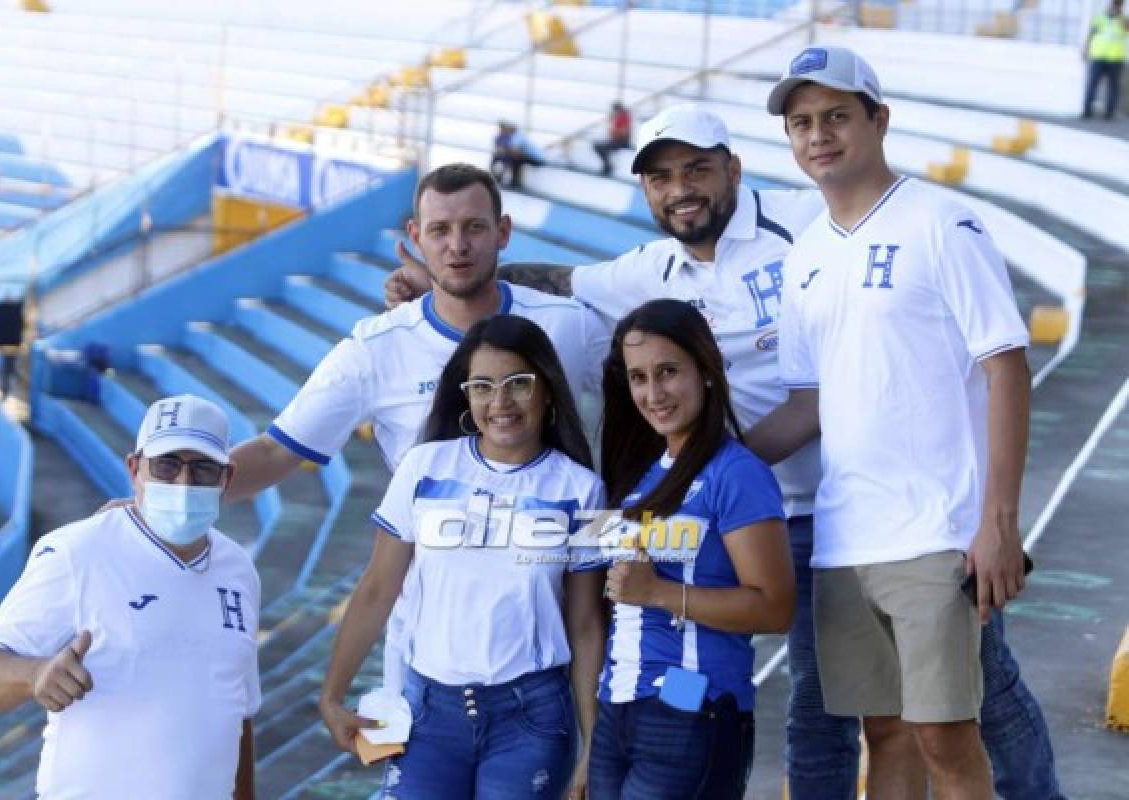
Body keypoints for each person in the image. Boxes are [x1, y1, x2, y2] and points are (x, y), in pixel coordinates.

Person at [387, 102, 1064, 800]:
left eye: (697, 169)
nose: (680, 188)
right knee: (825, 711)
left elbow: (931, 295)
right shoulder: (649, 269)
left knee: (980, 691)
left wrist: (993, 514)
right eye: (661, 177)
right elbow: (562, 281)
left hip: (865, 505)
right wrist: (440, 282)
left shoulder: (806, 224)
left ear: (733, 168)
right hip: (758, 509)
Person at [764, 45, 1038, 799]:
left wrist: (999, 523)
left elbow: (1007, 367)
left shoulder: (942, 220)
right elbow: (806, 404)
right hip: (844, 538)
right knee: (882, 734)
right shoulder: (806, 255)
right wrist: (705, 465)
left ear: (879, 120)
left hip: (936, 529)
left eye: (836, 117)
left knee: (946, 737)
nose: (818, 135)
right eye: (801, 123)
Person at [225, 163, 606, 697]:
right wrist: (160, 494)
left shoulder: (567, 324)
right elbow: (273, 452)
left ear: (503, 231)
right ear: (415, 237)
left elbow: (654, 388)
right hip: (432, 636)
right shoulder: (376, 348)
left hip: (551, 627)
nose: (457, 245)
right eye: (440, 231)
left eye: (474, 227)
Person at [318, 315, 606, 799]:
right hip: (429, 712)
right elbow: (376, 590)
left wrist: (593, 744)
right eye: (483, 386)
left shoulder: (584, 489)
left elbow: (586, 625)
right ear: (466, 395)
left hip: (532, 718)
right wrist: (331, 696)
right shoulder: (423, 466)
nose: (501, 403)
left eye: (518, 384)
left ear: (548, 390)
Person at [0, 395, 259, 800]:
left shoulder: (239, 568)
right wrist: (35, 675)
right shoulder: (77, 551)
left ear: (226, 478)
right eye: (167, 465)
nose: (183, 483)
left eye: (203, 468)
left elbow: (237, 711)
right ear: (134, 469)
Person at [588, 298, 794, 799]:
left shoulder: (737, 474)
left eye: (667, 372)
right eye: (638, 378)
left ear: (705, 370)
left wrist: (658, 592)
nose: (653, 393)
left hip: (691, 708)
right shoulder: (638, 475)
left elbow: (774, 607)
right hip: (617, 710)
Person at [1083, 0, 1126, 119]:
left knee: (1113, 87)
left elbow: (1126, 30)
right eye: (1115, 4)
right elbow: (1091, 34)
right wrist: (1085, 49)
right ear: (1110, 5)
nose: (1116, 7)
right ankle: (1087, 110)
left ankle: (1109, 113)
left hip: (1115, 58)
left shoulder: (1123, 20)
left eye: (1119, 5)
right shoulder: (1100, 18)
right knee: (1092, 84)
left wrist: (1120, 17)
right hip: (1098, 56)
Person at [492, 120, 546, 189]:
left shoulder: (517, 136)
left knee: (514, 160)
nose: (504, 130)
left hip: (537, 159)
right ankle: (509, 180)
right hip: (532, 157)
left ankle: (515, 182)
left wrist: (505, 152)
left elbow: (515, 151)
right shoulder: (512, 135)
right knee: (508, 158)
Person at [592, 102, 633, 176]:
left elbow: (622, 132)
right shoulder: (620, 117)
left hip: (621, 141)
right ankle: (608, 165)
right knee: (597, 145)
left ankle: (608, 166)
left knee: (599, 147)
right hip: (617, 140)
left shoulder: (623, 118)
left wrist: (613, 129)